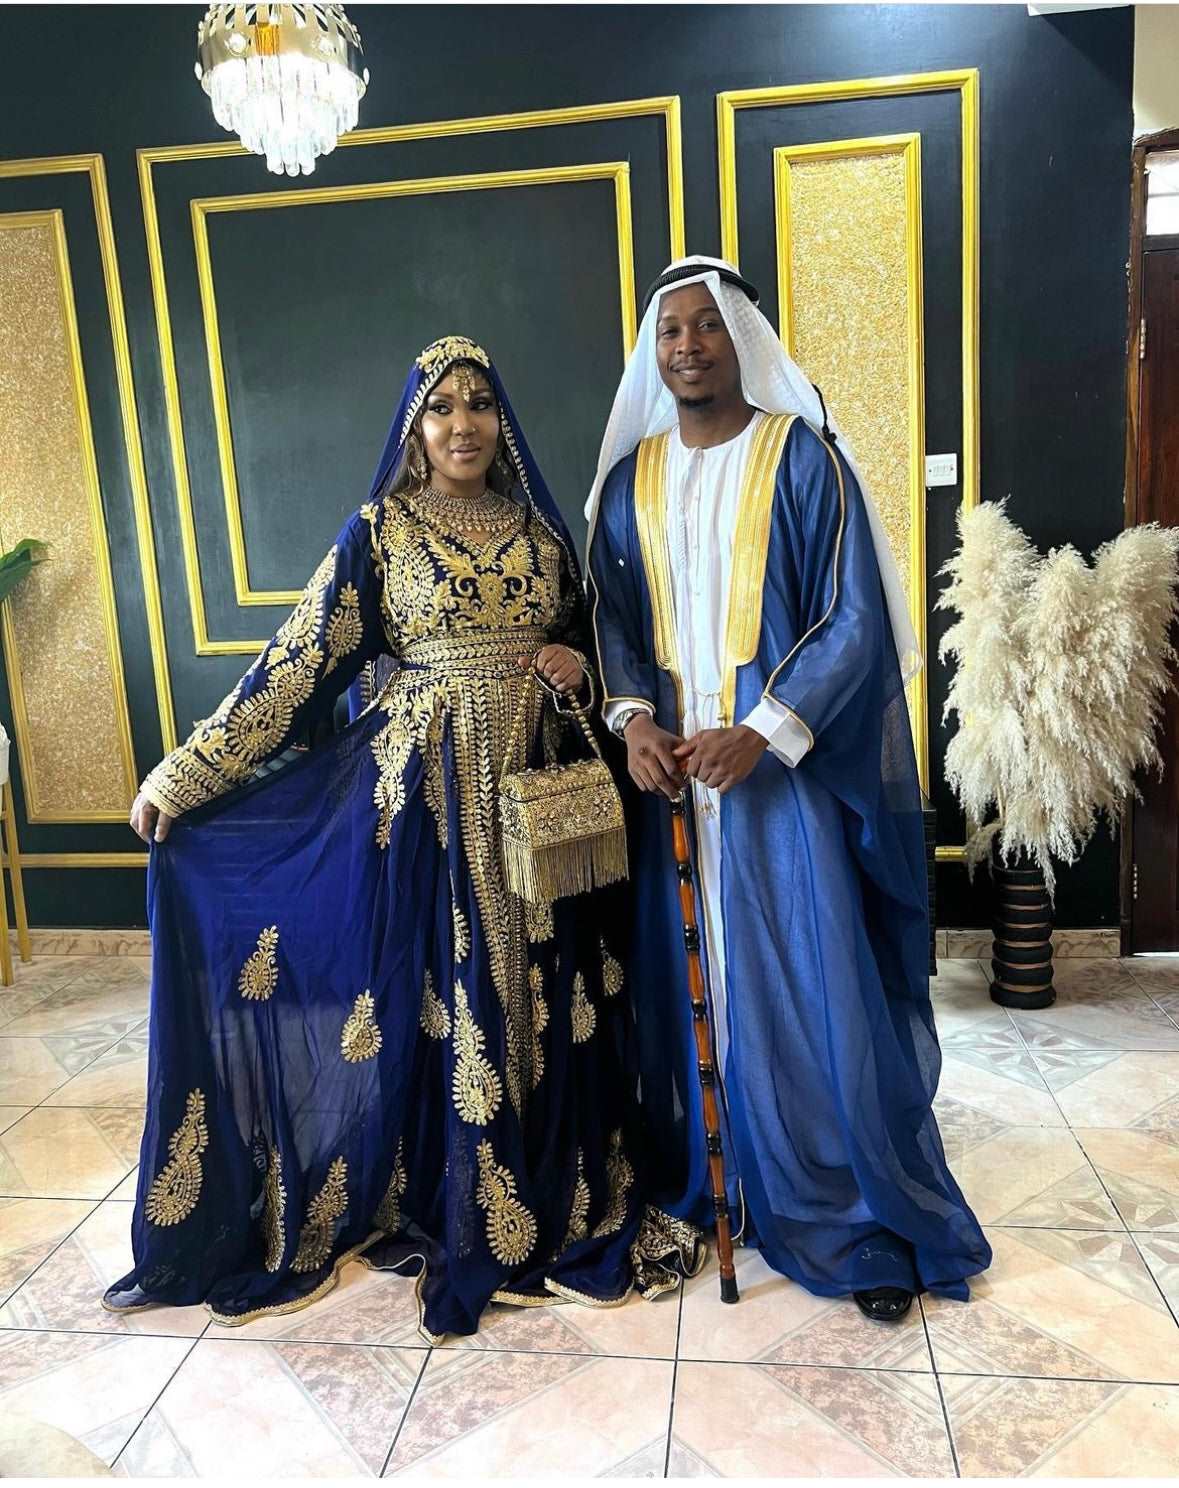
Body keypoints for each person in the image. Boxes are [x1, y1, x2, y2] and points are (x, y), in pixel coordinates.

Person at [106, 335, 699, 1341]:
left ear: (500, 418)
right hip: (429, 804)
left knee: (550, 988)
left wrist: (575, 665)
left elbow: (597, 645)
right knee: (446, 993)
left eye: (478, 403)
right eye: (441, 407)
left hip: (541, 806)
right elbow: (297, 663)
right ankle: (453, 1185)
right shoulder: (378, 532)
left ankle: (548, 1180)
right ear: (415, 428)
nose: (463, 424)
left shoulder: (542, 533)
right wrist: (189, 771)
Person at [587, 257, 991, 1320]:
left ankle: (845, 1206)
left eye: (705, 327)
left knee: (811, 989)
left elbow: (855, 618)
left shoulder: (803, 459)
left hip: (779, 787)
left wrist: (763, 732)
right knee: (689, 987)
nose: (686, 346)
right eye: (669, 331)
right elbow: (613, 620)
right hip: (672, 787)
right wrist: (633, 721)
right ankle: (713, 1184)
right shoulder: (628, 482)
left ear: (741, 339)